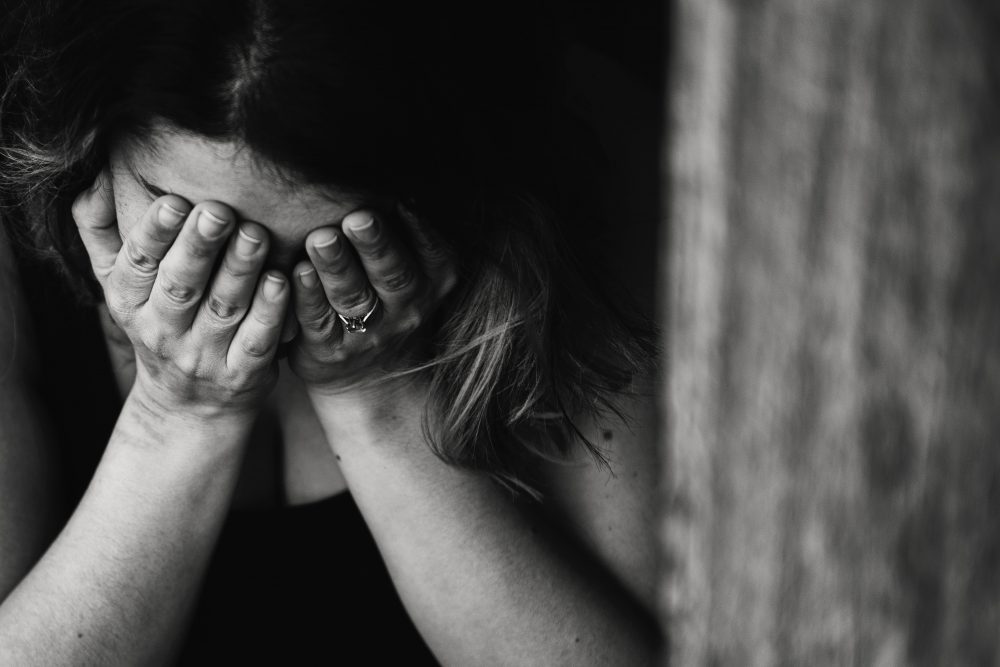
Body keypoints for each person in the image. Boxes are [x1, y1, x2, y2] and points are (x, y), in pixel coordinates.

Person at [0, 0, 660, 663]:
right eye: (192, 228)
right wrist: (174, 416)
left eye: (329, 248)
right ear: (89, 138)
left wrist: (377, 397)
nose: (258, 298)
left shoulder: (583, 156)